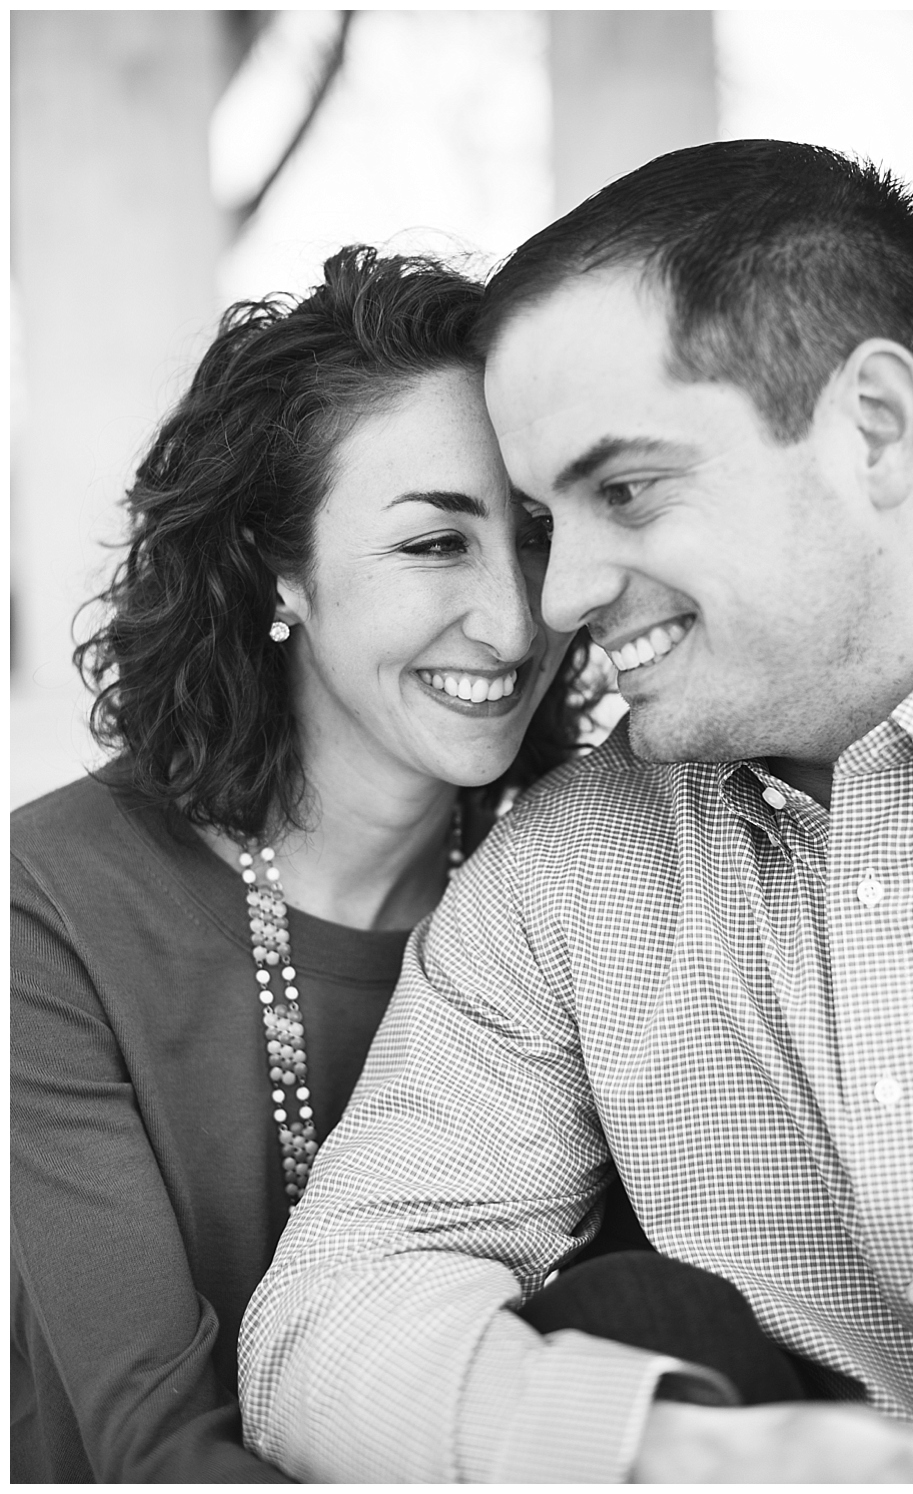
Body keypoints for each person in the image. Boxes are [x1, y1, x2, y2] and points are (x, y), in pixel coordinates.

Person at [238, 142, 913, 1483]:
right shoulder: (574, 865)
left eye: (625, 490)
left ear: (873, 426)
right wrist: (663, 1449)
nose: (558, 597)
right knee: (628, 1326)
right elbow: (327, 1313)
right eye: (540, 518)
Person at [10, 245, 602, 1481]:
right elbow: (153, 1444)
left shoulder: (582, 872)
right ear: (279, 570)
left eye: (539, 538)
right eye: (433, 545)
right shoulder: (53, 897)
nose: (512, 619)